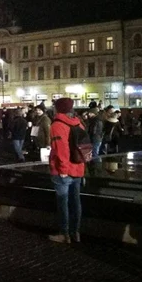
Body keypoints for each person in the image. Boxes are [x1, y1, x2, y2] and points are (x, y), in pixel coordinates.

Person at [48, 97, 85, 244]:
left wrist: (63, 169)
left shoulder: (57, 125)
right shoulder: (79, 123)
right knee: (76, 201)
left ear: (57, 108)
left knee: (63, 202)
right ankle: (75, 233)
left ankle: (64, 234)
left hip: (63, 170)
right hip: (78, 167)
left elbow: (61, 149)